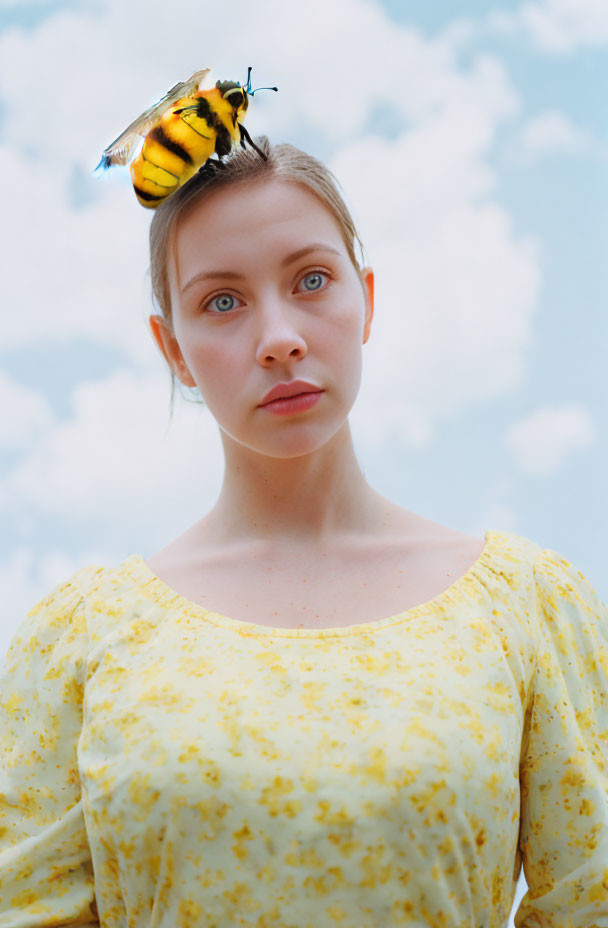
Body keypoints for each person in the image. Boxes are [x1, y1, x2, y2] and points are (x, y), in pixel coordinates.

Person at [1, 136, 607, 927]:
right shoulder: (76, 641)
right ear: (174, 350)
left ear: (369, 301)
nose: (279, 336)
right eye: (223, 300)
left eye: (312, 280)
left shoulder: (531, 610)